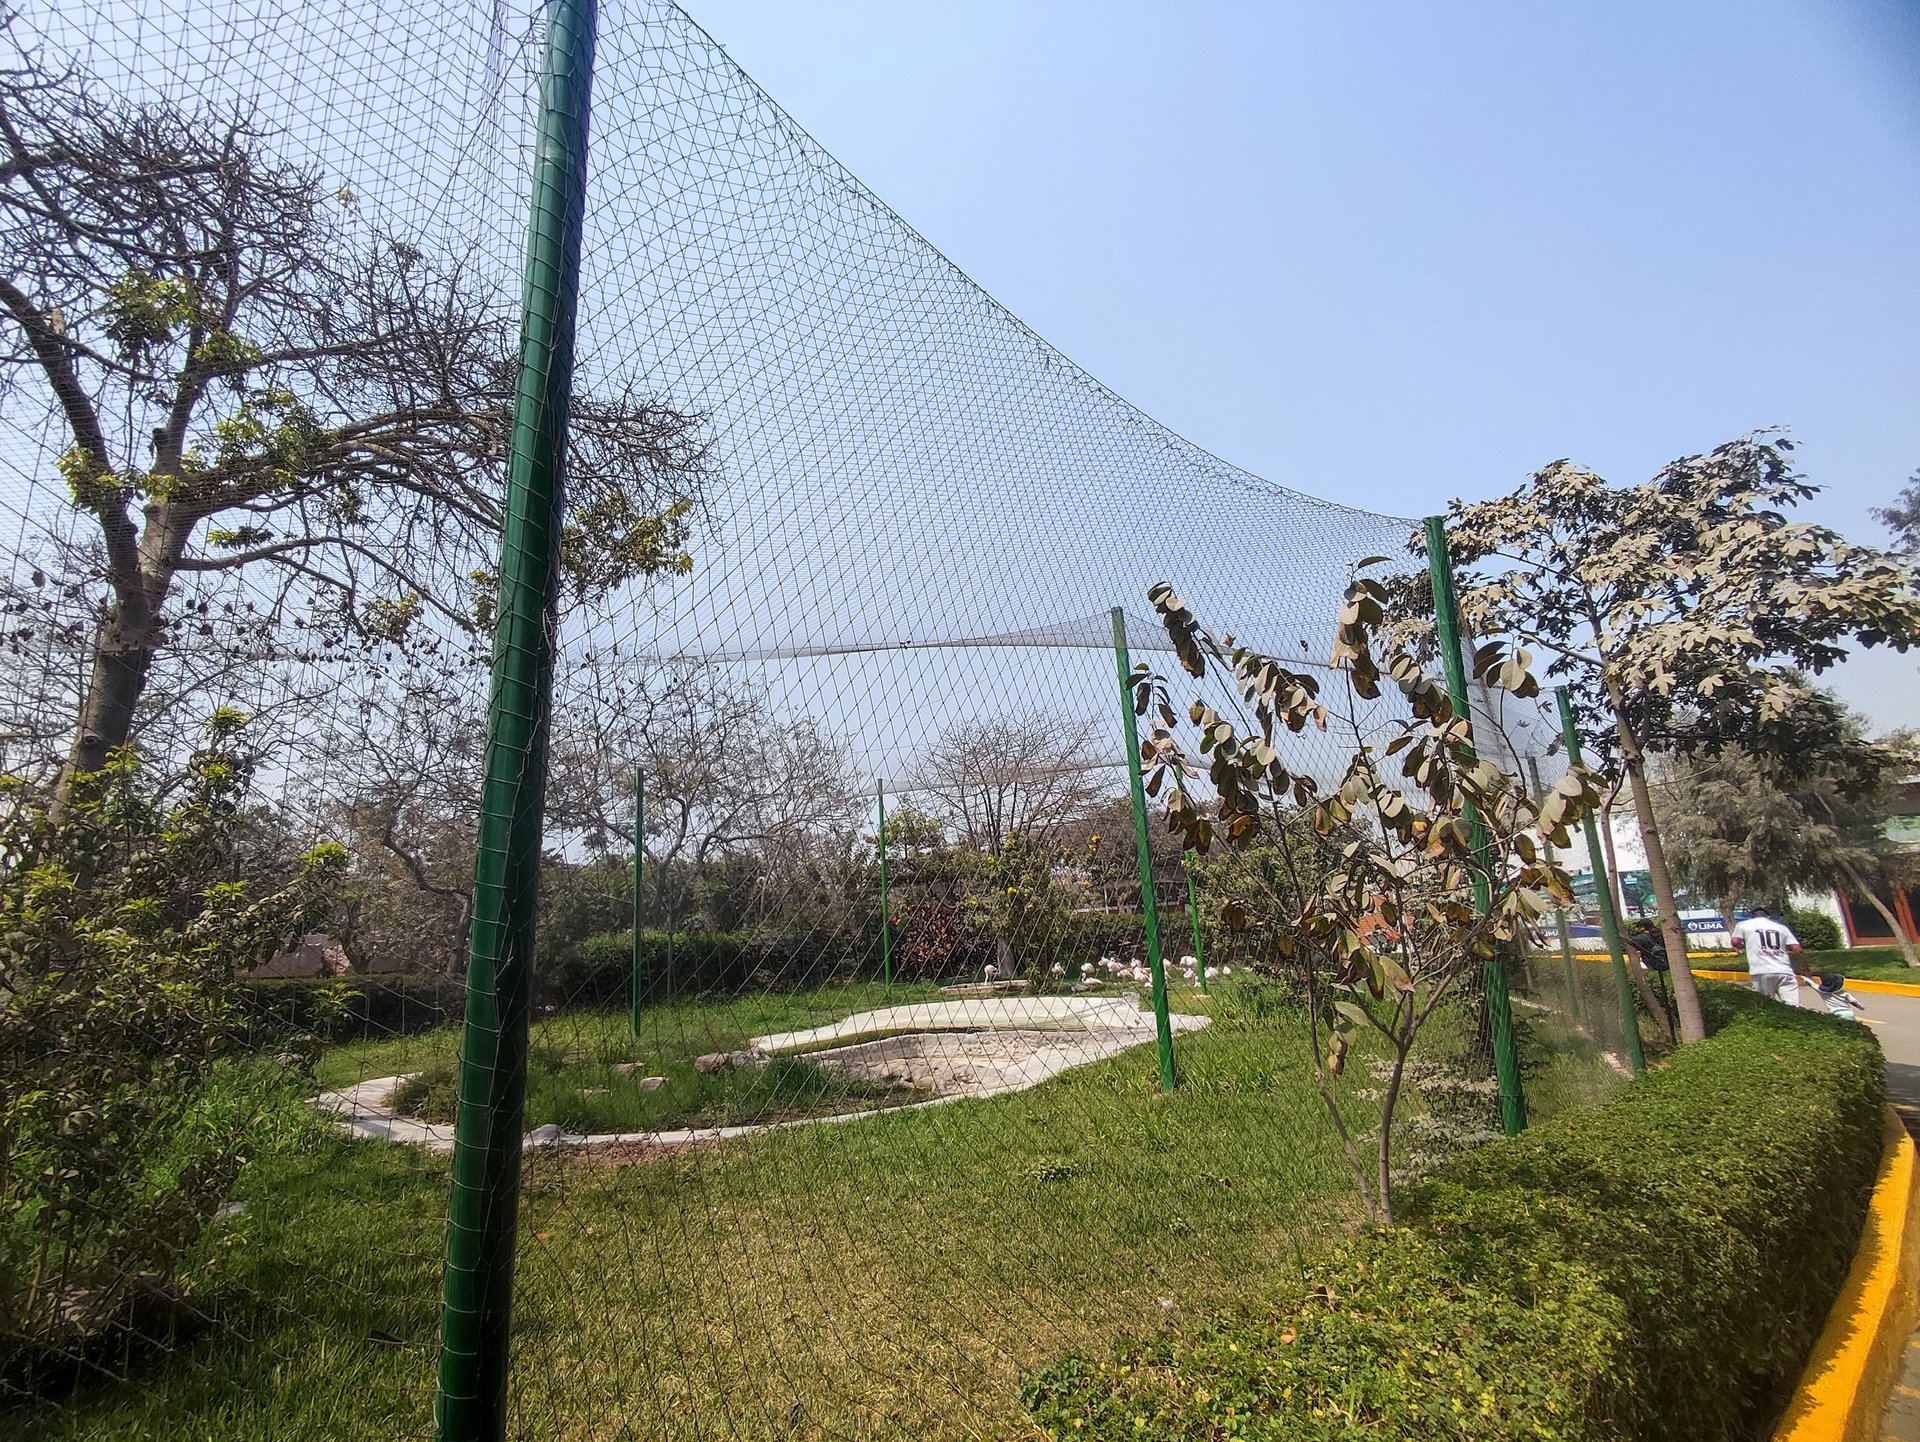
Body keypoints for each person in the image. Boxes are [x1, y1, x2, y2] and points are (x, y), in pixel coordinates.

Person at [1731, 907, 1803, 1005]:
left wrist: (1745, 946)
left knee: (1765, 1005)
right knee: (1793, 1005)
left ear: (1752, 916)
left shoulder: (1744, 925)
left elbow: (1735, 941)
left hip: (1761, 971)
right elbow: (1797, 948)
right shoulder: (1781, 927)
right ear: (1767, 916)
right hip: (1785, 971)